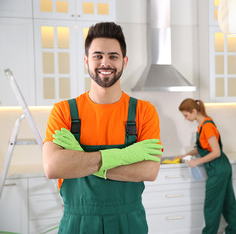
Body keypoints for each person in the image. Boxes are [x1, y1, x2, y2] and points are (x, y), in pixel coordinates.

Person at [42, 22, 163, 234]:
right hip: (77, 223)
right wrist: (125, 156)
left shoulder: (144, 112)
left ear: (124, 61)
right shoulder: (64, 112)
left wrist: (80, 158)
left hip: (129, 223)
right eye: (97, 56)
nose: (105, 62)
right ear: (86, 61)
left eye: (113, 56)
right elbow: (53, 167)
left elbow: (149, 171)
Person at [178, 98, 236, 234]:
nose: (185, 118)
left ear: (194, 111)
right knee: (227, 203)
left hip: (218, 168)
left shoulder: (207, 126)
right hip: (221, 168)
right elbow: (200, 148)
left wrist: (196, 162)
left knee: (211, 206)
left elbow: (216, 152)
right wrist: (186, 155)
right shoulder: (202, 125)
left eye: (186, 115)